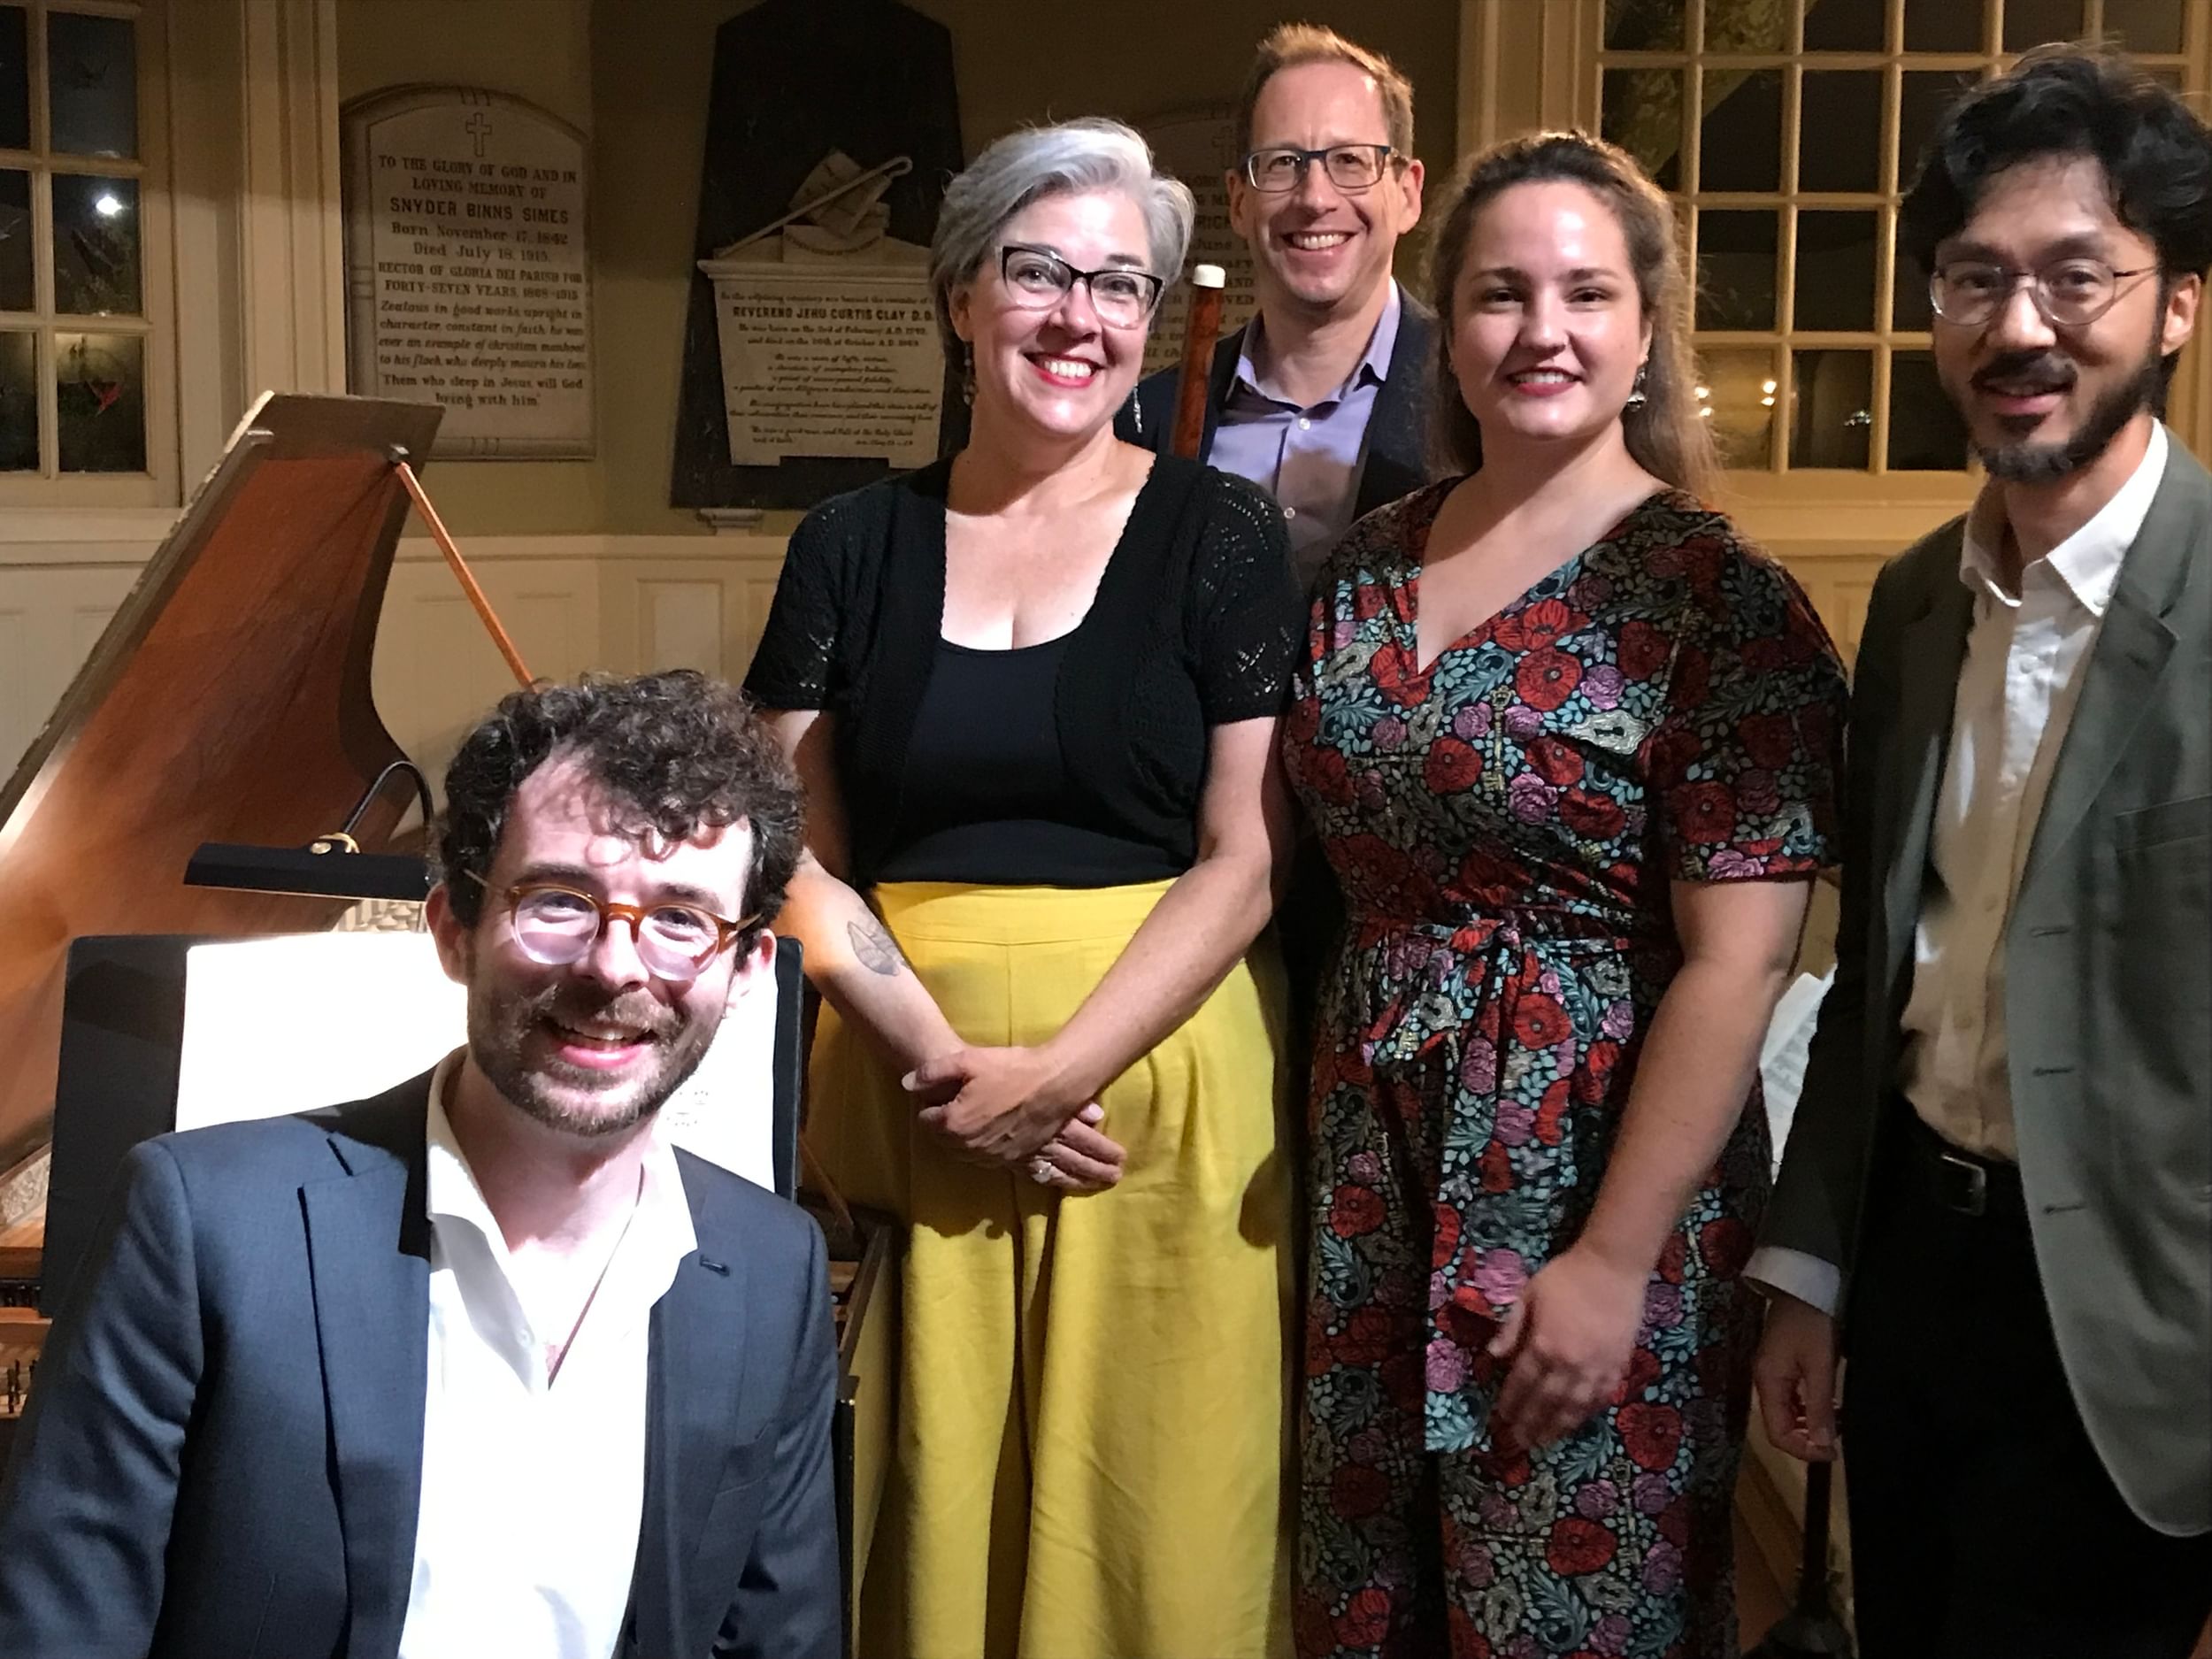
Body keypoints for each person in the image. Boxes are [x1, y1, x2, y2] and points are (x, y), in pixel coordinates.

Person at [1284, 133, 1846, 1659]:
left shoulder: (1720, 601)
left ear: (1645, 332)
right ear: (1447, 327)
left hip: (1592, 1174)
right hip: (1372, 1166)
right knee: (1369, 1600)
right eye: (1500, 294)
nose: (1544, 330)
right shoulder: (1370, 563)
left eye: (1587, 294)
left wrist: (1610, 1264)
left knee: (1568, 1613)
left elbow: (1740, 964)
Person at [744, 119, 1300, 1658]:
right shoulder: (851, 542)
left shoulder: (1221, 533)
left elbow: (1247, 853)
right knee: (924, 1507)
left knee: (1153, 1531)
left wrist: (1056, 1074)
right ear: (961, 296)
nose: (1079, 315)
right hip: (902, 1106)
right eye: (1039, 271)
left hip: (1150, 1111)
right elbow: (789, 849)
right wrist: (945, 1065)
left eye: (1120, 284)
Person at [0, 671, 839, 1659]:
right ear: (452, 932)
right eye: (558, 901)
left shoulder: (773, 1266)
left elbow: (776, 1637)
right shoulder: (202, 1223)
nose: (615, 967)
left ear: (744, 972)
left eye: (681, 919)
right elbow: (60, 1631)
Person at [1751, 48, 2212, 1658]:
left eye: (2077, 276)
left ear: (2175, 306)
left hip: (2146, 1335)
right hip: (1914, 1290)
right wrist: (1812, 1269)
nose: (2020, 327)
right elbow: (1872, 979)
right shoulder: (1913, 608)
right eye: (1974, 277)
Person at [1119, 23, 1435, 588]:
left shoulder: (1474, 399)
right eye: (1282, 163)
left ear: (1408, 194)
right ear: (1239, 201)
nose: (1314, 198)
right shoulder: (1146, 418)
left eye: (1350, 160)